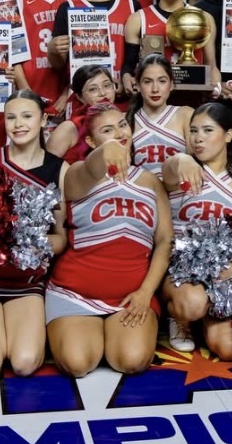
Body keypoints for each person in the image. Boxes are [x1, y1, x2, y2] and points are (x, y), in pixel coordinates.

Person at [45, 103, 173, 377]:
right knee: (77, 363)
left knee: (131, 361)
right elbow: (91, 168)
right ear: (90, 141)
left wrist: (146, 292)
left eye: (122, 125)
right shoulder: (78, 173)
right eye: (107, 130)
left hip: (132, 297)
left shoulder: (150, 180)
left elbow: (164, 241)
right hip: (75, 293)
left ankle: (114, 332)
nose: (118, 133)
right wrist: (106, 151)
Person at [0, 91, 68, 378]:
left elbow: (62, 237)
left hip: (26, 280)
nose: (18, 124)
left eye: (27, 116)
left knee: (24, 362)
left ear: (44, 119)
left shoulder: (59, 169)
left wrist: (31, 242)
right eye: (11, 117)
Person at [160, 103, 232, 356]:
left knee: (229, 350)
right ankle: (180, 318)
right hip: (180, 271)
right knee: (192, 304)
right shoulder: (181, 169)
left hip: (223, 275)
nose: (198, 138)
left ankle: (204, 322)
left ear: (228, 135)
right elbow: (168, 170)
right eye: (193, 131)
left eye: (208, 130)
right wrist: (181, 159)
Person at [126, 55, 192, 177]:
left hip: (181, 193)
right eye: (148, 82)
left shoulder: (185, 114)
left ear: (171, 85)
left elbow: (198, 162)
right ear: (138, 85)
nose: (155, 89)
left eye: (162, 81)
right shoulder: (126, 120)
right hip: (142, 193)